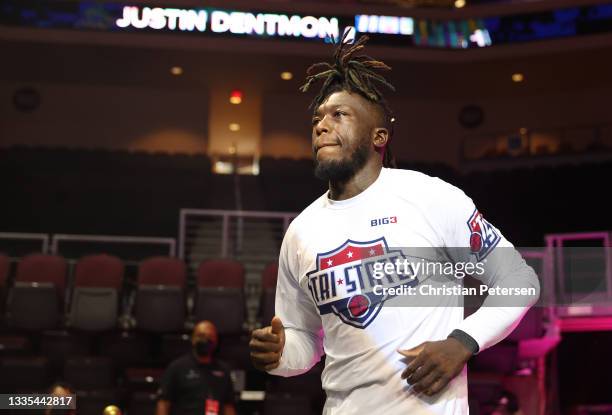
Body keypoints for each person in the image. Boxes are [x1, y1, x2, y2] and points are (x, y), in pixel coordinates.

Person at [249, 33, 540, 414]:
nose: (321, 125)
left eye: (339, 115)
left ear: (379, 136)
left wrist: (462, 341)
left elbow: (519, 281)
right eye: (318, 118)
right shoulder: (302, 230)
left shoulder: (431, 198)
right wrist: (281, 354)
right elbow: (307, 342)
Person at [156, 321, 236, 415]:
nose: (205, 340)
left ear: (216, 341)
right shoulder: (177, 367)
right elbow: (163, 403)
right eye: (201, 335)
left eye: (210, 336)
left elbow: (228, 406)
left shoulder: (224, 370)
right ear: (193, 339)